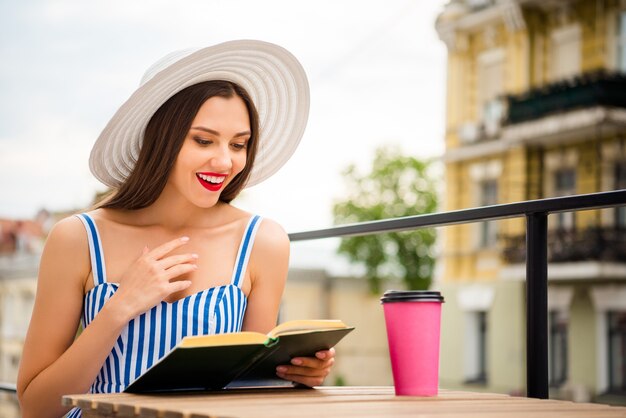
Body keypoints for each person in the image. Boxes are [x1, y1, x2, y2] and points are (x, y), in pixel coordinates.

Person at [16, 40, 335, 418]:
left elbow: (248, 392)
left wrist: (293, 375)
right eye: (203, 140)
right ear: (161, 137)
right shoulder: (78, 237)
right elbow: (35, 406)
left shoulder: (263, 242)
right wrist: (120, 308)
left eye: (239, 144)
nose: (224, 161)